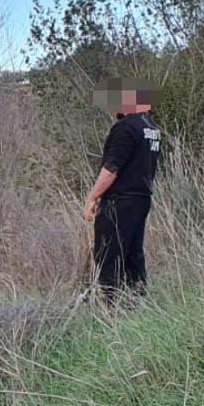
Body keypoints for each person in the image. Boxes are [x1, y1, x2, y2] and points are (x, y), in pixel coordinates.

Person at [82, 80, 160, 304]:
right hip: (142, 199)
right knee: (133, 253)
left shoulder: (126, 128)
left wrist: (93, 197)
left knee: (108, 253)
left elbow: (111, 169)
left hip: (120, 201)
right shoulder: (152, 129)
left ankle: (110, 308)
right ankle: (137, 301)